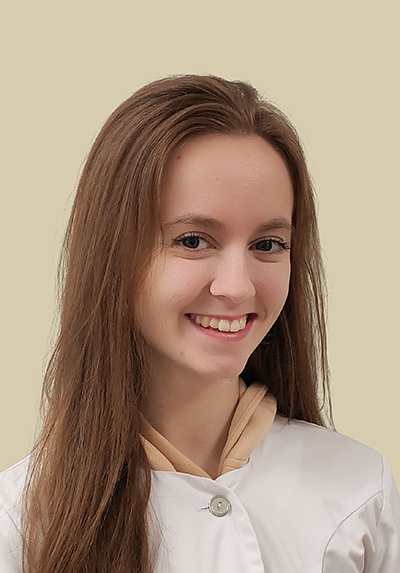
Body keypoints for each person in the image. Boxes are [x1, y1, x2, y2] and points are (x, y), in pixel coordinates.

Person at [0, 75, 399, 573]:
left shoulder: (360, 491)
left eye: (268, 245)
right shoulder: (21, 523)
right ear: (112, 256)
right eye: (192, 241)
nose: (238, 287)